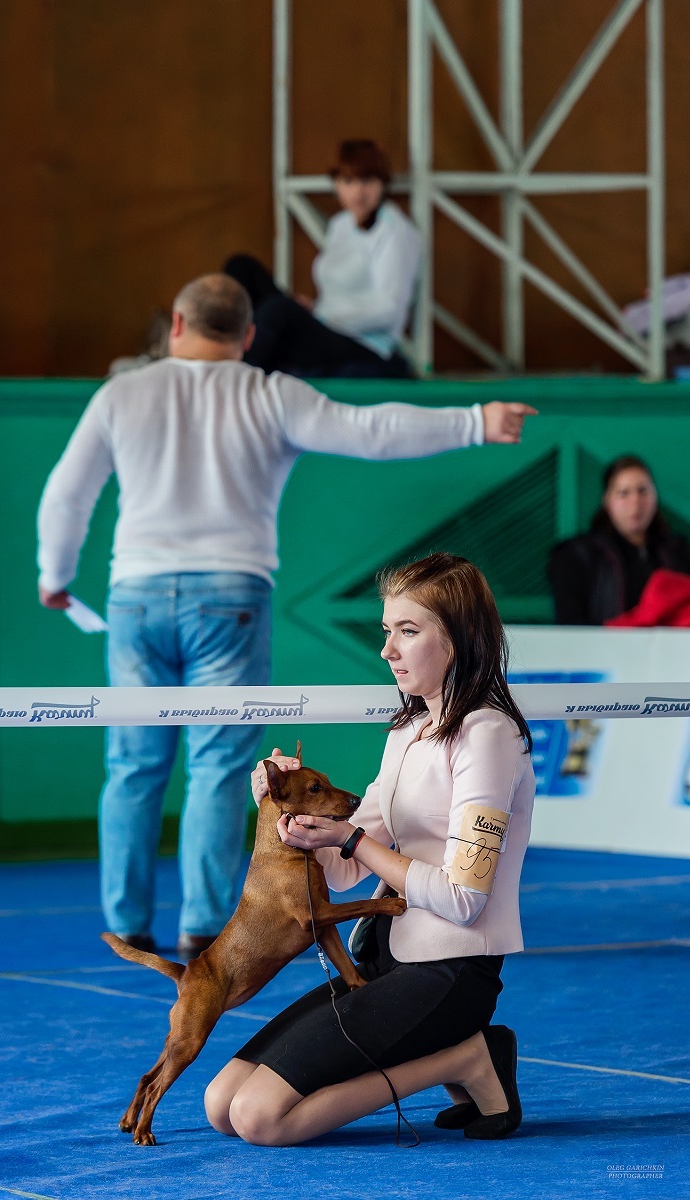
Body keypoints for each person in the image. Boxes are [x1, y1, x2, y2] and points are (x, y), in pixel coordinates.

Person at [36, 273, 536, 960]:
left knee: (131, 763)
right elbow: (371, 430)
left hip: (136, 597)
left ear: (175, 328)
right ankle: (206, 927)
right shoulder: (269, 392)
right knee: (217, 764)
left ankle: (125, 925)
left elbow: (67, 493)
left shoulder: (123, 392)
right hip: (230, 599)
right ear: (247, 337)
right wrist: (475, 421)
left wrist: (54, 575)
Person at [204, 553, 535, 1146]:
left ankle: (467, 1058)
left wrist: (351, 837)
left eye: (407, 632)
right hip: (384, 960)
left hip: (452, 973)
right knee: (220, 1102)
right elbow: (344, 870)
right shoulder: (406, 732)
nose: (388, 650)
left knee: (262, 1119)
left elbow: (463, 899)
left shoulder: (489, 736)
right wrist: (294, 819)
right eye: (388, 632)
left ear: (457, 639)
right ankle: (460, 1061)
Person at [224, 139, 421, 378]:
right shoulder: (340, 225)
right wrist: (316, 309)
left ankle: (234, 377)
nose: (358, 192)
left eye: (367, 181)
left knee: (279, 310)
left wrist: (322, 313)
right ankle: (222, 352)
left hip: (361, 344)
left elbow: (388, 311)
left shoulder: (394, 231)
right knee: (242, 269)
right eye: (348, 181)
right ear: (337, 185)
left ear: (382, 184)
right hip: (324, 323)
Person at [548, 455, 690, 625]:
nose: (635, 502)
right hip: (603, 650)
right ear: (607, 500)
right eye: (623, 493)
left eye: (643, 491)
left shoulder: (678, 551)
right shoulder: (576, 555)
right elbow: (570, 626)